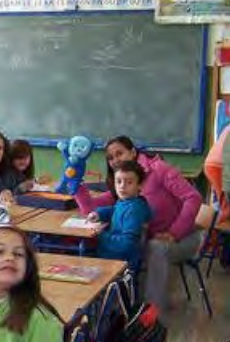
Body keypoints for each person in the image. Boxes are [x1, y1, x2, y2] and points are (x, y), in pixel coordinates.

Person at [74, 135, 201, 312]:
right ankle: (119, 304)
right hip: (140, 240)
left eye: (120, 153)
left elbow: (193, 197)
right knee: (126, 247)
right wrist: (76, 187)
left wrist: (174, 232)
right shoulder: (123, 183)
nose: (115, 160)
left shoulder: (159, 170)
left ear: (133, 152)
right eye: (110, 158)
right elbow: (92, 208)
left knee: (154, 247)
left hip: (182, 238)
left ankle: (151, 314)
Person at [86, 161, 152, 271]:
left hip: (120, 264)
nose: (122, 186)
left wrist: (102, 235)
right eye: (118, 181)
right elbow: (116, 210)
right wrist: (99, 214)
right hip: (112, 256)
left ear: (140, 185)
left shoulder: (134, 210)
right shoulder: (128, 201)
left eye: (129, 182)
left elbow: (127, 244)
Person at [205, 125, 230, 222]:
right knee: (226, 208)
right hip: (220, 166)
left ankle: (214, 231)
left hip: (211, 165)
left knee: (223, 204)